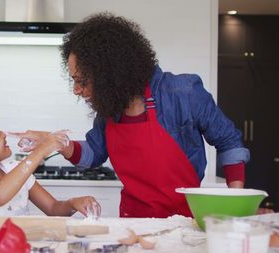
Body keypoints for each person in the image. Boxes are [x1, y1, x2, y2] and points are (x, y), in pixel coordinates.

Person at [13, 12, 250, 218]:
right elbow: (94, 153)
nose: (76, 90)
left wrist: (235, 200)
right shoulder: (109, 109)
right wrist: (59, 144)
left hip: (185, 220)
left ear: (109, 73)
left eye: (82, 81)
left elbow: (228, 140)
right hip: (133, 221)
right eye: (73, 81)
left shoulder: (183, 93)